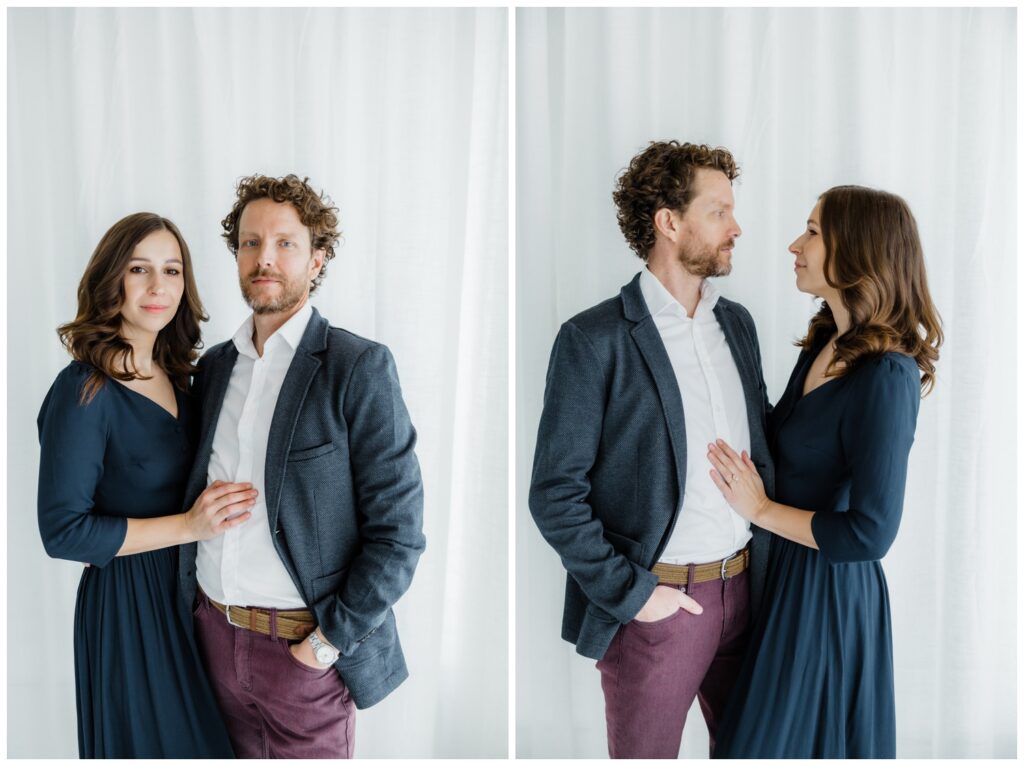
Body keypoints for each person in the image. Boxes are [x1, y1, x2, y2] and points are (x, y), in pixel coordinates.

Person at [528, 141, 775, 758]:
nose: (736, 227)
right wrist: (638, 596)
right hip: (656, 607)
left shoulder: (737, 324)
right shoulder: (594, 339)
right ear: (670, 222)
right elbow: (555, 494)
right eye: (718, 211)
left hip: (747, 595)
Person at [178, 174, 425, 759]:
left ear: (317, 258)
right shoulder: (212, 370)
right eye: (250, 242)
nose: (265, 258)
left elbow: (398, 537)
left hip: (303, 655)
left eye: (285, 243)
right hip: (211, 643)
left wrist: (321, 647)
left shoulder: (356, 367)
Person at [707, 186, 943, 758]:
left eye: (812, 232)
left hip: (827, 600)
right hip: (779, 579)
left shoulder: (888, 377)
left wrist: (760, 510)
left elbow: (871, 533)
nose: (795, 244)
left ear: (857, 250)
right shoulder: (825, 342)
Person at [37, 212, 259, 758]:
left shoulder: (184, 377)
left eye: (172, 269)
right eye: (140, 269)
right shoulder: (84, 391)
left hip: (192, 598)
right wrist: (189, 525)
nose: (159, 287)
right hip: (129, 611)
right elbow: (63, 532)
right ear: (112, 281)